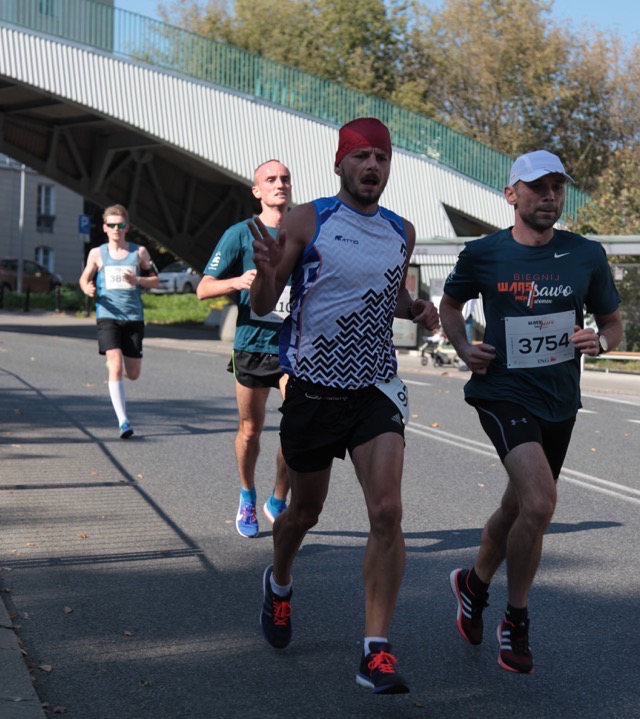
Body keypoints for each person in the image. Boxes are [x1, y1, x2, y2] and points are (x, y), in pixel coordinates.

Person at [248, 118, 439, 694]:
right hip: (313, 388)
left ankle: (375, 650)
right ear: (340, 164)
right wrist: (264, 273)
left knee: (387, 512)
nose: (371, 165)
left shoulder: (401, 231)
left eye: (381, 156)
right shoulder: (309, 220)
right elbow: (263, 302)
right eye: (361, 156)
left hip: (375, 387)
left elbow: (391, 294)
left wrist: (416, 309)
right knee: (304, 513)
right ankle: (280, 582)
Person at [439, 150, 623, 674]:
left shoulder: (585, 254)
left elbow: (613, 323)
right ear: (511, 194)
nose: (549, 196)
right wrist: (463, 347)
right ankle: (515, 619)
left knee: (518, 507)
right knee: (540, 503)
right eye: (538, 187)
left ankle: (472, 584)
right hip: (501, 391)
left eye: (557, 188)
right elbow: (451, 307)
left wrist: (600, 342)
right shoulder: (484, 254)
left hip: (559, 400)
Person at [197, 160, 294, 539]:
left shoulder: (302, 232)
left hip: (294, 348)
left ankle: (278, 499)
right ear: (257, 191)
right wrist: (238, 281)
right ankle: (247, 495)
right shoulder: (240, 233)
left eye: (285, 179)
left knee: (299, 428)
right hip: (252, 345)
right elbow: (204, 288)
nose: (279, 184)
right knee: (251, 431)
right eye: (270, 179)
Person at [79, 205, 160, 438]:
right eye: (112, 225)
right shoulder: (97, 253)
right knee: (115, 364)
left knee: (133, 373)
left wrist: (138, 280)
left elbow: (156, 280)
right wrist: (87, 288)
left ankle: (116, 369)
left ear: (127, 227)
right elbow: (84, 279)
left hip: (133, 317)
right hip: (107, 315)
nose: (116, 229)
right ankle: (123, 421)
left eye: (120, 225)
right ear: (105, 227)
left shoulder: (139, 252)